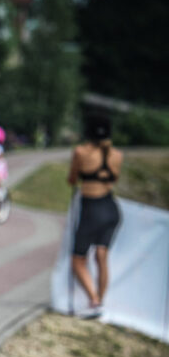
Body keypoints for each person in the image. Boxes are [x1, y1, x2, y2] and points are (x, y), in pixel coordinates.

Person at [67, 112, 122, 318]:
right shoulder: (117, 155)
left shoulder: (81, 152)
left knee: (77, 259)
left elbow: (72, 179)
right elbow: (113, 179)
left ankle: (94, 298)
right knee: (101, 256)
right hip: (111, 209)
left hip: (92, 209)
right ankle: (101, 301)